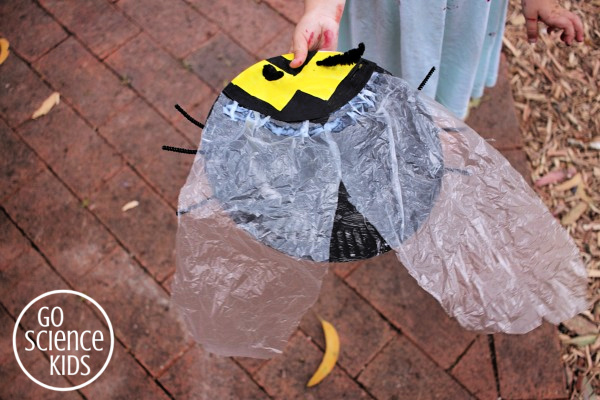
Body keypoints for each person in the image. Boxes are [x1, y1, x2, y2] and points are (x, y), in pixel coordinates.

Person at [289, 0, 584, 118]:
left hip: (460, 15)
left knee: (444, 80)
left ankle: (435, 120)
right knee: (377, 85)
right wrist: (322, 9)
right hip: (383, 15)